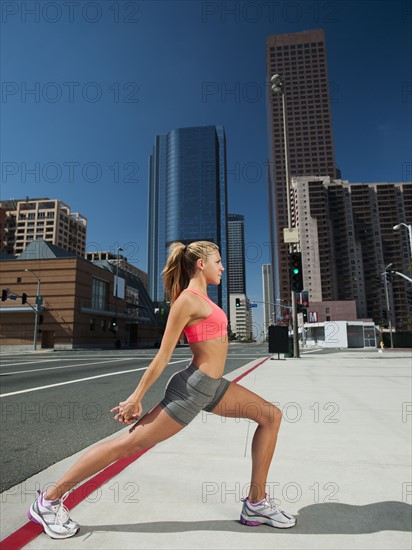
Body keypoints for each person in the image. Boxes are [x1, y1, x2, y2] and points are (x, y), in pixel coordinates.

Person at [28, 241, 296, 539]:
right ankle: (49, 500)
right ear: (200, 264)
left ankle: (256, 503)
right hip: (191, 391)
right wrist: (136, 397)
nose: (222, 267)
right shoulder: (187, 300)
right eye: (218, 261)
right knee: (127, 445)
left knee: (271, 417)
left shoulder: (205, 300)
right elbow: (163, 356)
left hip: (214, 387)